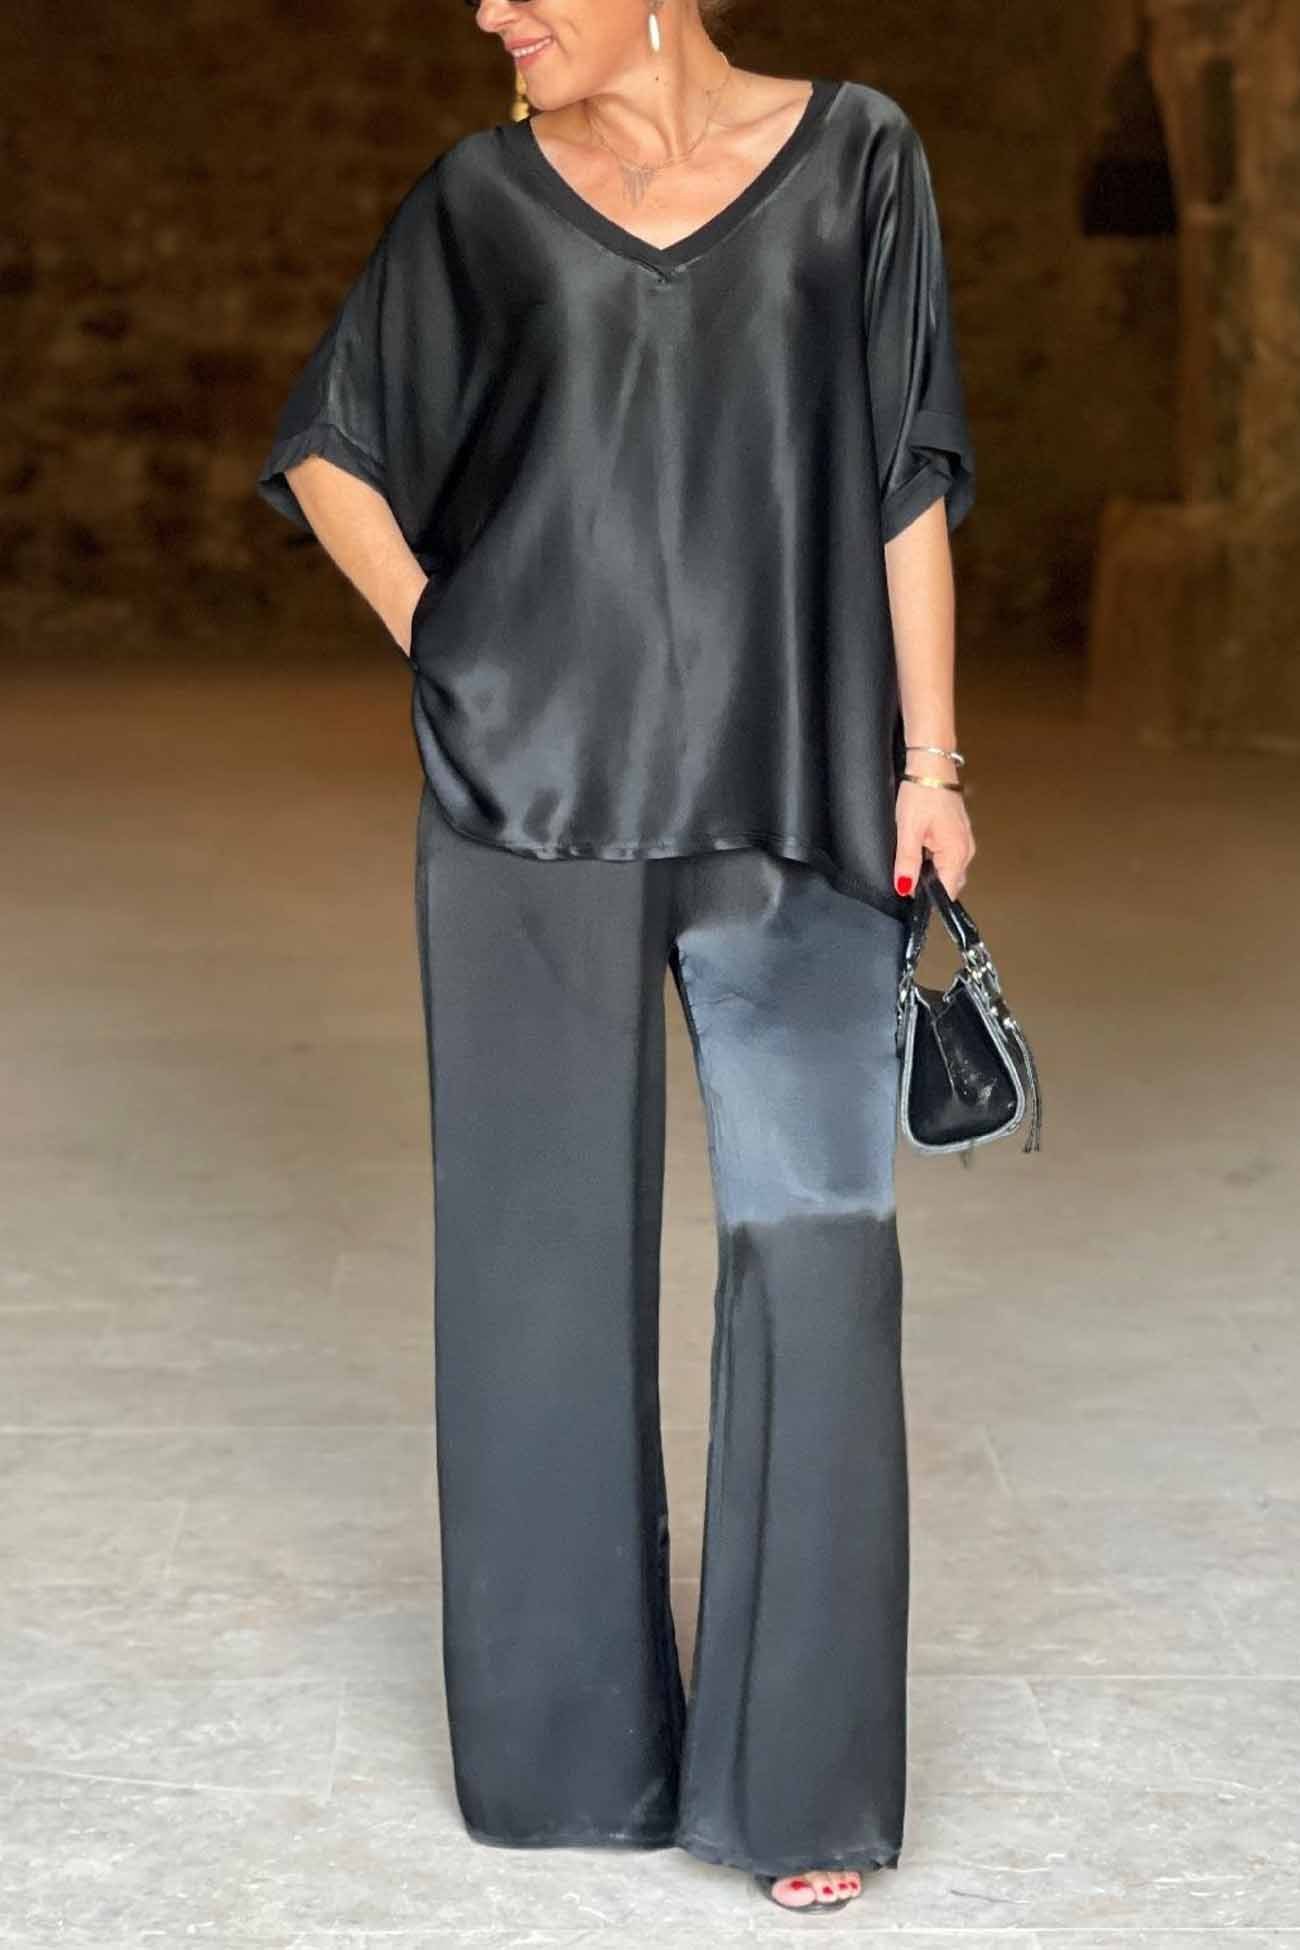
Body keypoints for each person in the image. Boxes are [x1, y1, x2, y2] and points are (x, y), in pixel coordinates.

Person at [255, 0, 976, 1917]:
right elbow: (331, 446)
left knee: (821, 1260)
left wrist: (930, 763)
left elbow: (908, 473)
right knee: (536, 1274)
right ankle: (568, 1763)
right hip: (524, 808)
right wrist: (453, 640)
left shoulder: (859, 160)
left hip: (798, 798)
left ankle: (803, 1779)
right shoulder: (479, 201)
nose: (491, 14)